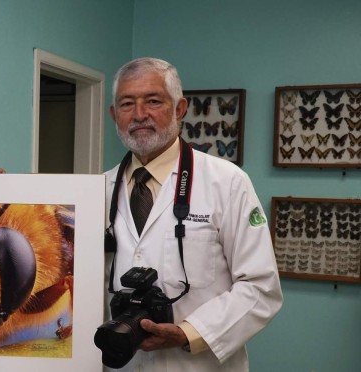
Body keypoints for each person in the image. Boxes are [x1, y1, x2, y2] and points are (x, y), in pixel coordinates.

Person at [102, 57, 283, 371]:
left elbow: (260, 286)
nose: (140, 114)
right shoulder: (97, 190)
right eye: (127, 103)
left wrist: (188, 333)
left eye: (153, 101)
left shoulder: (226, 182)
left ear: (180, 109)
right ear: (114, 115)